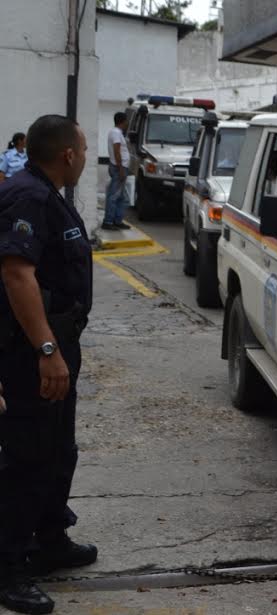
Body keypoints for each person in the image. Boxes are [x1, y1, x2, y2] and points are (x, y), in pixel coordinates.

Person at [0, 115, 97, 614]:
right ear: (67, 155)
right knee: (29, 454)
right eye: (82, 148)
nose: (84, 156)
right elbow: (17, 274)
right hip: (32, 349)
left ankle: (49, 539)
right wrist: (46, 351)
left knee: (59, 447)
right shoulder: (30, 197)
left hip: (58, 342)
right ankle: (8, 566)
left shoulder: (47, 193)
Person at [102, 112, 132, 231]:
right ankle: (108, 221)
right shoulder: (115, 133)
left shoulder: (117, 133)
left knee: (122, 198)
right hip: (119, 167)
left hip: (120, 167)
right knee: (114, 196)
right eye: (126, 121)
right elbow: (117, 151)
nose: (127, 123)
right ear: (123, 121)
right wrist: (120, 169)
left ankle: (117, 220)